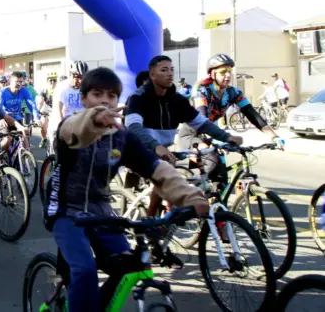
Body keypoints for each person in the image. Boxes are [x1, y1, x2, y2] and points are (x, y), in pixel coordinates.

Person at [45, 67, 209, 312]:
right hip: (65, 212)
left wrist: (191, 197)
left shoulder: (122, 138)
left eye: (111, 96)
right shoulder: (71, 125)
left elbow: (157, 169)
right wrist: (95, 119)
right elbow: (75, 129)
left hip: (101, 212)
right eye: (97, 94)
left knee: (130, 266)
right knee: (85, 270)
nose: (104, 100)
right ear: (83, 99)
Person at [125, 55, 243, 216]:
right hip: (138, 148)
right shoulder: (138, 98)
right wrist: (156, 146)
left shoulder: (177, 99)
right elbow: (134, 127)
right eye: (164, 70)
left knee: (172, 179)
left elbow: (201, 122)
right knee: (162, 178)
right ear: (152, 74)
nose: (170, 74)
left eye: (172, 70)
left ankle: (163, 217)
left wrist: (226, 137)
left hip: (163, 150)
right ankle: (150, 221)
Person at [178, 54, 283, 182]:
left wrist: (274, 136)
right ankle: (188, 194)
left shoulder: (233, 92)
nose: (227, 75)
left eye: (229, 72)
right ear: (212, 74)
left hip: (212, 134)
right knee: (210, 166)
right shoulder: (202, 92)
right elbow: (203, 121)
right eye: (223, 72)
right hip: (192, 135)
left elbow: (253, 115)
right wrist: (220, 140)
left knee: (221, 180)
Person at [47, 61, 89, 149]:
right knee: (62, 155)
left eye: (83, 77)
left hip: (76, 125)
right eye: (77, 77)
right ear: (70, 75)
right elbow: (58, 109)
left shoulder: (85, 87)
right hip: (60, 123)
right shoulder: (62, 88)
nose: (80, 80)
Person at [0, 71, 41, 149]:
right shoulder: (3, 92)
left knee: (25, 136)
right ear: (10, 81)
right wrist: (0, 118)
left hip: (17, 119)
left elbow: (31, 104)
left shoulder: (23, 90)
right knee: (8, 140)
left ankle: (25, 155)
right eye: (16, 82)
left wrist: (36, 118)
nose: (19, 84)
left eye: (20, 82)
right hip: (5, 119)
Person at [37, 72, 58, 148]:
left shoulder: (59, 89)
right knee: (44, 128)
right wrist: (37, 111)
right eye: (50, 80)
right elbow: (41, 102)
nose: (52, 82)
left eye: (54, 80)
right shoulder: (44, 90)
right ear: (47, 81)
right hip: (46, 111)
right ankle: (44, 138)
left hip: (55, 111)